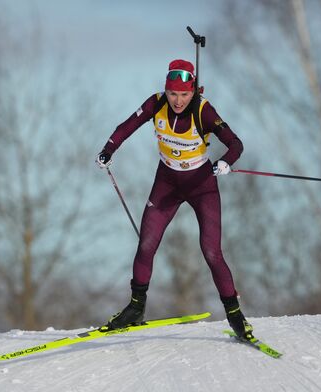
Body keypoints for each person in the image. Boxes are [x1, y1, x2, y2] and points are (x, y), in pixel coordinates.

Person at [95, 59, 253, 339]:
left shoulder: (203, 111)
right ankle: (135, 308)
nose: (178, 100)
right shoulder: (156, 103)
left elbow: (235, 143)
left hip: (201, 185)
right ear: (165, 91)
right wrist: (109, 149)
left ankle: (235, 315)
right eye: (173, 94)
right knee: (146, 244)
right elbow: (126, 126)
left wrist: (226, 162)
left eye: (184, 94)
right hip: (167, 183)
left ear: (193, 91)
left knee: (211, 251)